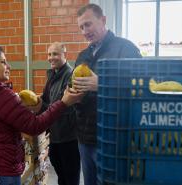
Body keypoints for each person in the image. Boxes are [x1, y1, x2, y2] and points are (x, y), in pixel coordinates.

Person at [0, 44, 83, 185]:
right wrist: (63, 103)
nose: (9, 66)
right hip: (2, 172)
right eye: (3, 62)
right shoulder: (2, 95)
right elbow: (34, 126)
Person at [73, 4, 142, 185]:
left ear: (103, 20)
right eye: (81, 27)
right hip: (85, 137)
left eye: (88, 24)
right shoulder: (82, 55)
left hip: (114, 138)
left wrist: (103, 84)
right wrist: (73, 93)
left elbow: (139, 87)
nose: (84, 31)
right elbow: (74, 86)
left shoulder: (126, 49)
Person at [40, 42, 80, 185]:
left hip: (68, 135)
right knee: (60, 173)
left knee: (70, 176)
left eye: (55, 54)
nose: (51, 57)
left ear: (65, 55)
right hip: (55, 134)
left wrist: (42, 107)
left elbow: (61, 103)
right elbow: (46, 99)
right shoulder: (52, 74)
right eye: (49, 54)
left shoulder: (70, 75)